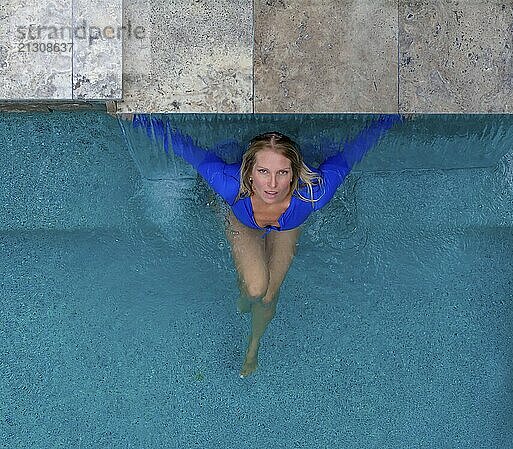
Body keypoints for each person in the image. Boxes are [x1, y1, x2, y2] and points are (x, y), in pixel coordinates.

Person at [131, 114, 402, 377]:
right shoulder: (229, 183)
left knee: (269, 294)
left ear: (294, 175)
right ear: (249, 174)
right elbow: (186, 148)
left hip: (288, 223)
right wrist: (139, 118)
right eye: (263, 172)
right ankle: (245, 293)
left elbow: (352, 153)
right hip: (243, 221)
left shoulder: (313, 193)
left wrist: (394, 117)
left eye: (282, 173)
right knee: (255, 288)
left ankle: (253, 347)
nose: (272, 184)